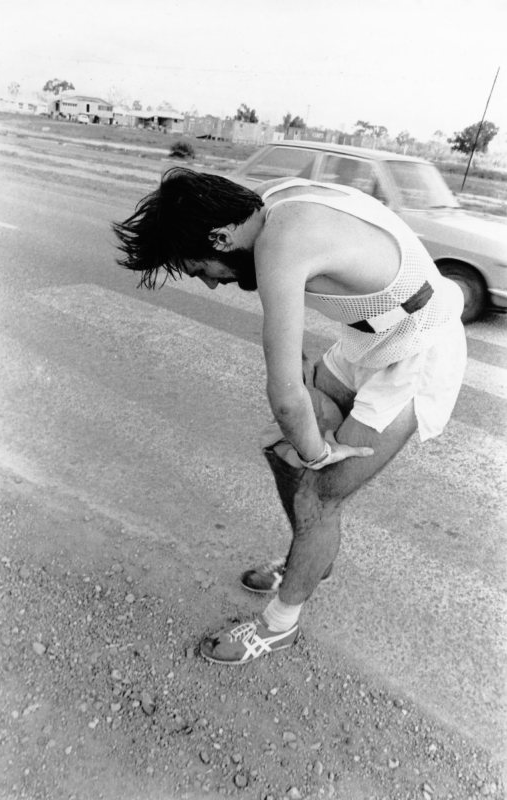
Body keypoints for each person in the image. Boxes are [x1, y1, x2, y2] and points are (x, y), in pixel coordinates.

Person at [112, 167, 466, 665]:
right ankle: (310, 557)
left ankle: (280, 625)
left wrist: (321, 453)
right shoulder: (265, 205)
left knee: (319, 493)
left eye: (199, 270)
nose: (212, 285)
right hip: (369, 341)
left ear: (219, 236)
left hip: (418, 349)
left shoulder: (280, 242)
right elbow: (293, 366)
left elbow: (284, 395)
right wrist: (304, 438)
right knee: (281, 452)